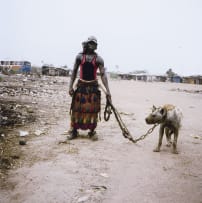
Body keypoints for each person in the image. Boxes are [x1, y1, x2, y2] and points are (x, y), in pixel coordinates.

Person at [68, 36, 111, 140]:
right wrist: (70, 86)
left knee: (93, 110)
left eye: (94, 43)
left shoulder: (99, 59)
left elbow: (103, 74)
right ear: (87, 44)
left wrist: (108, 91)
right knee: (77, 109)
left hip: (93, 88)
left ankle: (91, 132)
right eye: (90, 43)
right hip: (81, 87)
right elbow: (74, 71)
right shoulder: (79, 57)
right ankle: (74, 131)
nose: (92, 45)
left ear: (96, 46)